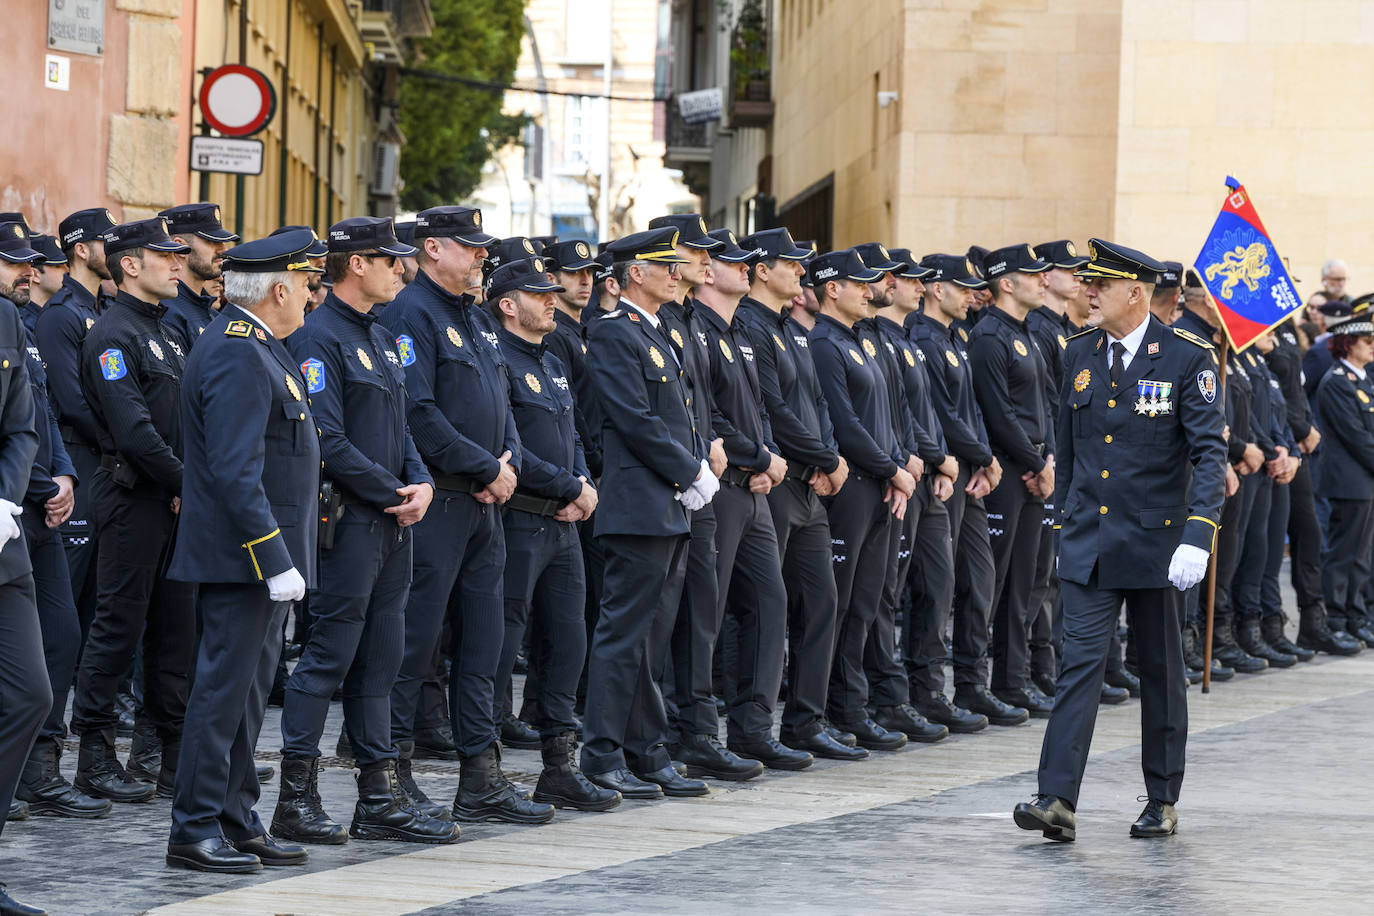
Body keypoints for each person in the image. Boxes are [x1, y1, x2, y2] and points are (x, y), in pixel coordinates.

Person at [1014, 239, 1226, 842]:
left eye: (1098, 286)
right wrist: (1063, 522)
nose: (1087, 293)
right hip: (1091, 540)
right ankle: (1056, 796)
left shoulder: (1187, 357)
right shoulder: (1079, 352)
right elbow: (1072, 447)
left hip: (1160, 545)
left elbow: (1210, 452)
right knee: (1077, 666)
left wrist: (1198, 532)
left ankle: (1161, 797)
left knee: (1160, 670)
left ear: (1134, 292)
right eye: (1087, 284)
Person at [275, 217, 454, 846]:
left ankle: (377, 796)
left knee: (381, 660)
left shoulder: (377, 335)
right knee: (328, 658)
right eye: (389, 260)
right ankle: (296, 797)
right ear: (356, 264)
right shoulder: (319, 338)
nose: (401, 270)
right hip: (347, 525)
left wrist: (421, 482)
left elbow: (402, 427)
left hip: (392, 524)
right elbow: (326, 438)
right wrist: (392, 493)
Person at [384, 206, 552, 824]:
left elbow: (500, 397)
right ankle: (392, 778)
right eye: (471, 247)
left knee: (487, 644)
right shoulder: (411, 314)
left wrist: (502, 461)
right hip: (441, 501)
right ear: (432, 249)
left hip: (486, 503)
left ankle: (481, 776)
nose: (484, 256)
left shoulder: (474, 316)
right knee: (414, 643)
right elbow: (417, 411)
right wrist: (486, 467)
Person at [164, 230, 323, 873]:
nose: (314, 296)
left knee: (249, 696)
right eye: (309, 284)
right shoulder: (236, 351)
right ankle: (194, 827)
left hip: (261, 559)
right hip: (243, 558)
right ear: (280, 287)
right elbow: (234, 471)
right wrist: (272, 556)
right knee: (221, 695)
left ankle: (235, 816)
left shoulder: (263, 348)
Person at [580, 227, 715, 800]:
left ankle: (647, 750)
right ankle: (601, 753)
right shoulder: (615, 334)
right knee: (621, 635)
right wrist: (690, 472)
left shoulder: (659, 332)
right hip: (638, 505)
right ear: (635, 272)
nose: (675, 273)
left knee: (649, 638)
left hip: (664, 506)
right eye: (664, 265)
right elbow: (635, 418)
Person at [71, 218, 198, 804]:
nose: (179, 264)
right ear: (128, 264)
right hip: (132, 499)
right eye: (164, 256)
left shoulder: (169, 332)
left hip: (174, 501)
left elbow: (190, 421)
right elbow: (135, 432)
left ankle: (171, 753)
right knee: (118, 626)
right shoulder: (112, 336)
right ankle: (94, 754)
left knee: (177, 630)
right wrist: (189, 484)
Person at [487, 257, 619, 812]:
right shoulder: (499, 362)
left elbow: (575, 435)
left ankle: (558, 767)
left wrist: (583, 482)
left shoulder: (553, 360)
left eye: (550, 291)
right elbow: (514, 448)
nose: (551, 300)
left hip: (563, 525)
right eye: (538, 294)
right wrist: (571, 485)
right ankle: (486, 768)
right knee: (498, 645)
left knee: (568, 642)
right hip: (521, 518)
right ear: (508, 305)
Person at [733, 229, 861, 761]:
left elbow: (818, 404)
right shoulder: (751, 327)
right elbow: (772, 408)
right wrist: (823, 459)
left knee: (823, 600)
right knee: (766, 606)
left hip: (811, 483)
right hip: (783, 481)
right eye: (791, 264)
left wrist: (829, 457)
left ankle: (805, 721)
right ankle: (752, 723)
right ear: (763, 269)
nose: (801, 274)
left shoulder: (795, 328)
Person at [691, 231, 813, 771]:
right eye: (732, 262)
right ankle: (692, 733)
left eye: (748, 262)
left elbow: (759, 408)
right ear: (707, 272)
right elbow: (707, 417)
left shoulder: (740, 330)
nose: (745, 269)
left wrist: (764, 456)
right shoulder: (696, 329)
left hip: (755, 490)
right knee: (706, 615)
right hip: (720, 489)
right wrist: (759, 458)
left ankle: (753, 728)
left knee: (769, 604)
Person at [0, 226, 108, 822]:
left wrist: (52, 479)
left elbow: (31, 419)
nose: (26, 269)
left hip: (21, 519)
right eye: (12, 261)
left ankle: (33, 774)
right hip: (23, 507)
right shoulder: (54, 318)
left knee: (47, 663)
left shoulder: (13, 324)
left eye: (25, 262)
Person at [910, 254, 1023, 727]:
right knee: (934, 587)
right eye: (963, 286)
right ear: (938, 289)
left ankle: (973, 683)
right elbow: (940, 412)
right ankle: (925, 689)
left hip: (969, 473)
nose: (973, 294)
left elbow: (971, 408)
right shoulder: (922, 338)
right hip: (947, 471)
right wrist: (981, 456)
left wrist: (984, 459)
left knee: (981, 580)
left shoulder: (955, 336)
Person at [808, 248, 912, 752]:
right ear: (833, 288)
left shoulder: (861, 339)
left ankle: (854, 706)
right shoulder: (824, 343)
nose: (869, 290)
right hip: (852, 488)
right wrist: (892, 468)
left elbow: (886, 413)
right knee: (841, 601)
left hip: (880, 485)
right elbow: (845, 424)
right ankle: (832, 709)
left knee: (868, 601)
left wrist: (895, 470)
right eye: (859, 283)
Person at [967, 245, 1055, 718]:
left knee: (1028, 580)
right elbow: (998, 413)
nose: (1044, 280)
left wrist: (1050, 459)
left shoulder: (1029, 335)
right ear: (1006, 282)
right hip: (1007, 470)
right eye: (1033, 274)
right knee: (994, 582)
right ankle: (982, 682)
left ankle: (1013, 679)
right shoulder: (988, 337)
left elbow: (1045, 406)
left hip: (1034, 470)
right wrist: (1036, 463)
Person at [36, 208, 115, 649]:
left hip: (104, 467)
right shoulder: (62, 315)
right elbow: (71, 402)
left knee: (97, 601)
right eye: (107, 241)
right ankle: (47, 717)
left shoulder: (102, 307)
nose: (116, 251)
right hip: (78, 460)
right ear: (81, 249)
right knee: (66, 600)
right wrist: (126, 436)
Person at [0, 223, 49, 916]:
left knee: (29, 693)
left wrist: (5, 497)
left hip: (1, 541)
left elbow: (21, 427)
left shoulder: (6, 317)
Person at [1314, 312, 1374, 645]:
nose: (1373, 347)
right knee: (1344, 552)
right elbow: (1356, 436)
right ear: (1350, 344)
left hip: (1364, 479)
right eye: (1367, 342)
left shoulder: (1362, 379)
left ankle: (1356, 614)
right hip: (1348, 479)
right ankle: (1336, 617)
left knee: (1361, 553)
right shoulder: (1337, 381)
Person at [158, 203, 239, 350]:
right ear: (181, 248)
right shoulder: (168, 313)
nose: (223, 249)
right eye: (212, 241)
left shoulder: (210, 312)